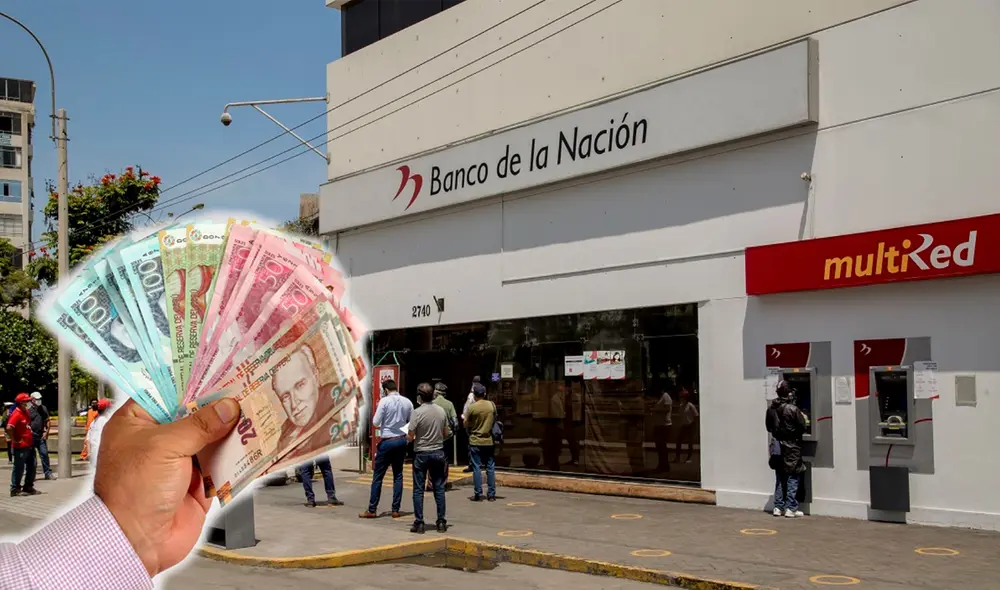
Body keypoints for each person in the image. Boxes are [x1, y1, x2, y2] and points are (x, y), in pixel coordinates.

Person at [0, 395, 242, 588]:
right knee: (21, 469)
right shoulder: (23, 414)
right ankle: (17, 487)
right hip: (27, 448)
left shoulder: (87, 418)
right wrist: (131, 530)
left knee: (31, 467)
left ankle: (26, 485)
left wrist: (132, 528)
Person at [360, 379, 412, 519]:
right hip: (401, 440)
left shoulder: (384, 402)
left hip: (387, 441)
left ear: (385, 389)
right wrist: (404, 433)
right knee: (398, 475)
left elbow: (376, 422)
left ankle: (372, 509)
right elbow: (412, 422)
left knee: (378, 477)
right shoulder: (407, 402)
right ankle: (395, 509)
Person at [273, 343, 340, 451]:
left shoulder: (338, 416)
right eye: (285, 397)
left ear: (316, 376)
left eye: (300, 385)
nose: (294, 404)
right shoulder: (285, 438)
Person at [408, 386, 450, 534]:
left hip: (421, 453)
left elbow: (411, 436)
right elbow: (445, 433)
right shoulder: (441, 411)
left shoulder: (417, 412)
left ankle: (419, 523)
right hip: (438, 452)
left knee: (418, 489)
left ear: (420, 396)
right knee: (439, 488)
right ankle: (441, 522)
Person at [766, 380, 808, 518]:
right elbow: (803, 426)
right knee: (793, 476)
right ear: (789, 393)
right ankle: (791, 508)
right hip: (792, 447)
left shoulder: (771, 409)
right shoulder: (793, 409)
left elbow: (768, 427)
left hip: (777, 446)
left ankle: (778, 507)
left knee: (779, 476)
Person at [464, 383, 496, 502]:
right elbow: (494, 420)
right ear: (485, 393)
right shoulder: (492, 405)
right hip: (488, 440)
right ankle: (491, 494)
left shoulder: (472, 407)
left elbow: (466, 423)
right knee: (490, 467)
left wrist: (473, 425)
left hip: (475, 440)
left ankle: (478, 493)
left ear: (475, 395)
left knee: (476, 467)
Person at [6, 394, 37, 497]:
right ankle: (15, 489)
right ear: (20, 403)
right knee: (19, 468)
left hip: (29, 444)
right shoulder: (16, 414)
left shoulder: (26, 412)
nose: (28, 403)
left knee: (32, 465)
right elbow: (9, 427)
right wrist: (14, 440)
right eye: (26, 401)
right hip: (20, 446)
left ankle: (28, 486)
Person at [430, 382, 458, 490]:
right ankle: (443, 483)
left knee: (432, 459)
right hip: (446, 436)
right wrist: (453, 432)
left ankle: (432, 483)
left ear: (435, 393)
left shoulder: (431, 403)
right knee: (445, 460)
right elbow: (455, 423)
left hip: (432, 436)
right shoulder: (449, 404)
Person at [29, 392, 55, 480]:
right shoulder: (28, 409)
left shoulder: (43, 408)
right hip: (31, 436)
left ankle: (48, 473)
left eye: (39, 399)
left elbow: (47, 421)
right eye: (36, 399)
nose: (38, 401)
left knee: (44, 454)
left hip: (41, 436)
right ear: (31, 399)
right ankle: (31, 475)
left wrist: (46, 432)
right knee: (31, 457)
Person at [460, 376, 480, 473]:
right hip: (479, 423)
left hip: (472, 423)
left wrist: (465, 420)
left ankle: (472, 464)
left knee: (471, 444)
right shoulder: (483, 393)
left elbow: (467, 409)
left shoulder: (471, 395)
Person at [674, 388, 699, 464]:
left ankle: (689, 458)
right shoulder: (681, 406)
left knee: (690, 443)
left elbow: (696, 415)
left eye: (682, 397)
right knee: (678, 441)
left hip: (691, 425)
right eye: (680, 397)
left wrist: (694, 425)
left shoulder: (690, 406)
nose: (681, 399)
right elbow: (680, 415)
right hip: (684, 426)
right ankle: (677, 458)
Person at [87, 399, 114, 467]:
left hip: (94, 453)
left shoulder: (93, 422)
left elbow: (88, 439)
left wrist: (89, 453)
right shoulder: (107, 421)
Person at [654, 387, 673, 472]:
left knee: (662, 446)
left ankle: (664, 465)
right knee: (659, 447)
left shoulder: (666, 396)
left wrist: (655, 410)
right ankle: (662, 465)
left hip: (664, 425)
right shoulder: (662, 397)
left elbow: (667, 409)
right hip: (659, 425)